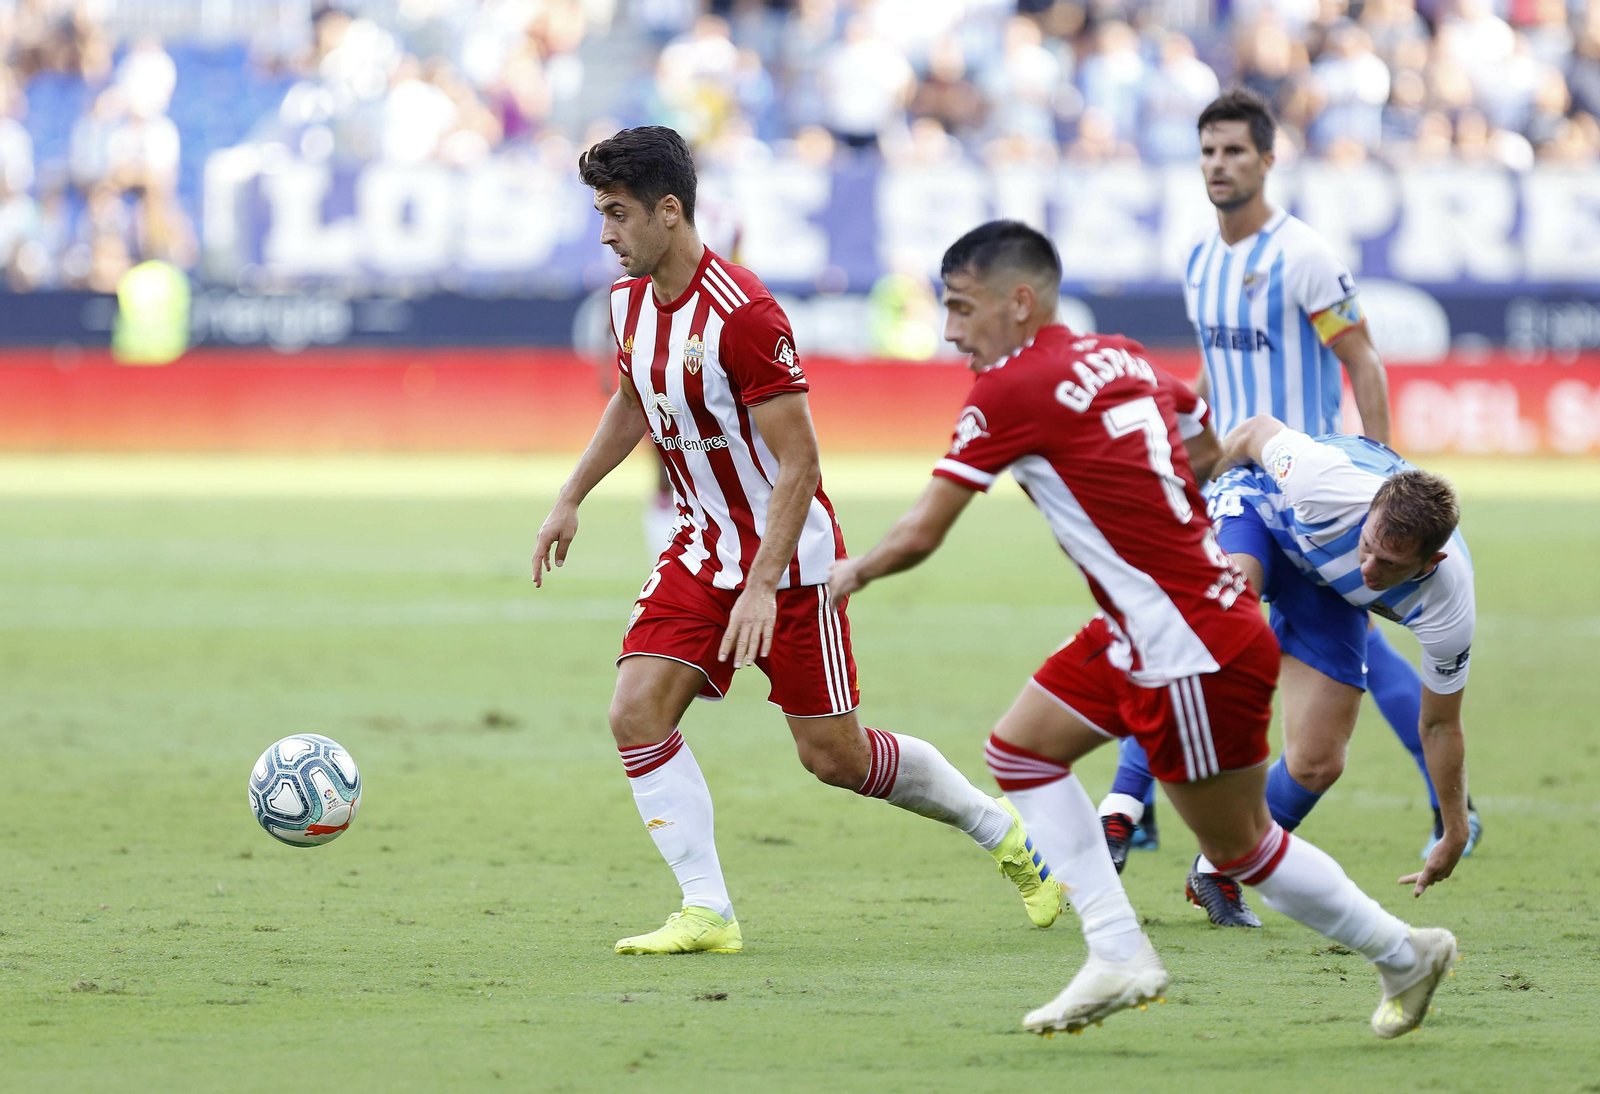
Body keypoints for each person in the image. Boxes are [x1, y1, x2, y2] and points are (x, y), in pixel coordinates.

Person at [828, 219, 1458, 1039]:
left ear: (1018, 303)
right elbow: (1203, 437)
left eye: (960, 308)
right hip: (1150, 623)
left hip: (1185, 642)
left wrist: (849, 574)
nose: (950, 332)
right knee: (1019, 748)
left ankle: (1405, 951)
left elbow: (920, 533)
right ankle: (1116, 950)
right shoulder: (1123, 356)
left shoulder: (1005, 391)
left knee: (1243, 851)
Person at [532, 127, 1059, 956]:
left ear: (669, 212)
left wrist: (761, 585)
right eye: (602, 214)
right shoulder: (628, 303)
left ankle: (1002, 832)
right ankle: (707, 909)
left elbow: (801, 461)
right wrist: (570, 497)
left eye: (617, 214)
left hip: (791, 565)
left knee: (835, 758)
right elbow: (635, 401)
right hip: (700, 548)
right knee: (635, 712)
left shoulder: (745, 315)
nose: (606, 233)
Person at [1099, 89, 1478, 928]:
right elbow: (1217, 384)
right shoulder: (1200, 261)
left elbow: (1365, 364)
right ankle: (1121, 807)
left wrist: (1383, 480)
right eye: (1207, 152)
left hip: (1322, 501)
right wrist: (1183, 459)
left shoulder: (1304, 254)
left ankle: (1212, 859)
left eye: (1234, 151)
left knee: (1317, 751)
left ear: (1267, 159)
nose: (1218, 166)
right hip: (1242, 492)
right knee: (1210, 621)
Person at [1198, 415, 1475, 909]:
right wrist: (1191, 498)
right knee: (1227, 633)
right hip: (1259, 511)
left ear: (1430, 564)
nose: (1368, 569)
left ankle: (1218, 866)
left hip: (1323, 586)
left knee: (1318, 764)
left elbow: (1439, 725)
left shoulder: (1447, 607)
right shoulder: (1320, 479)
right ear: (1369, 512)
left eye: (1390, 565)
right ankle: (1125, 802)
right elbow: (1252, 431)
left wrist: (1454, 830)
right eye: (1367, 546)